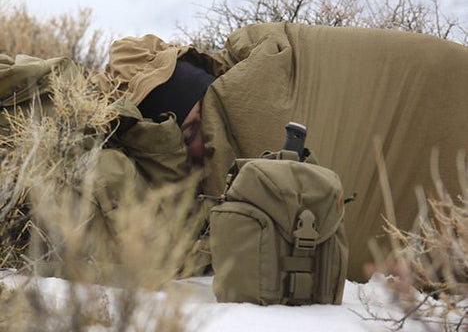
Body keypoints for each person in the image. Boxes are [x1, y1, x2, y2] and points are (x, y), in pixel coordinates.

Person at [99, 23, 468, 282]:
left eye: (199, 125)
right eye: (185, 135)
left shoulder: (270, 65)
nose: (198, 143)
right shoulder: (164, 191)